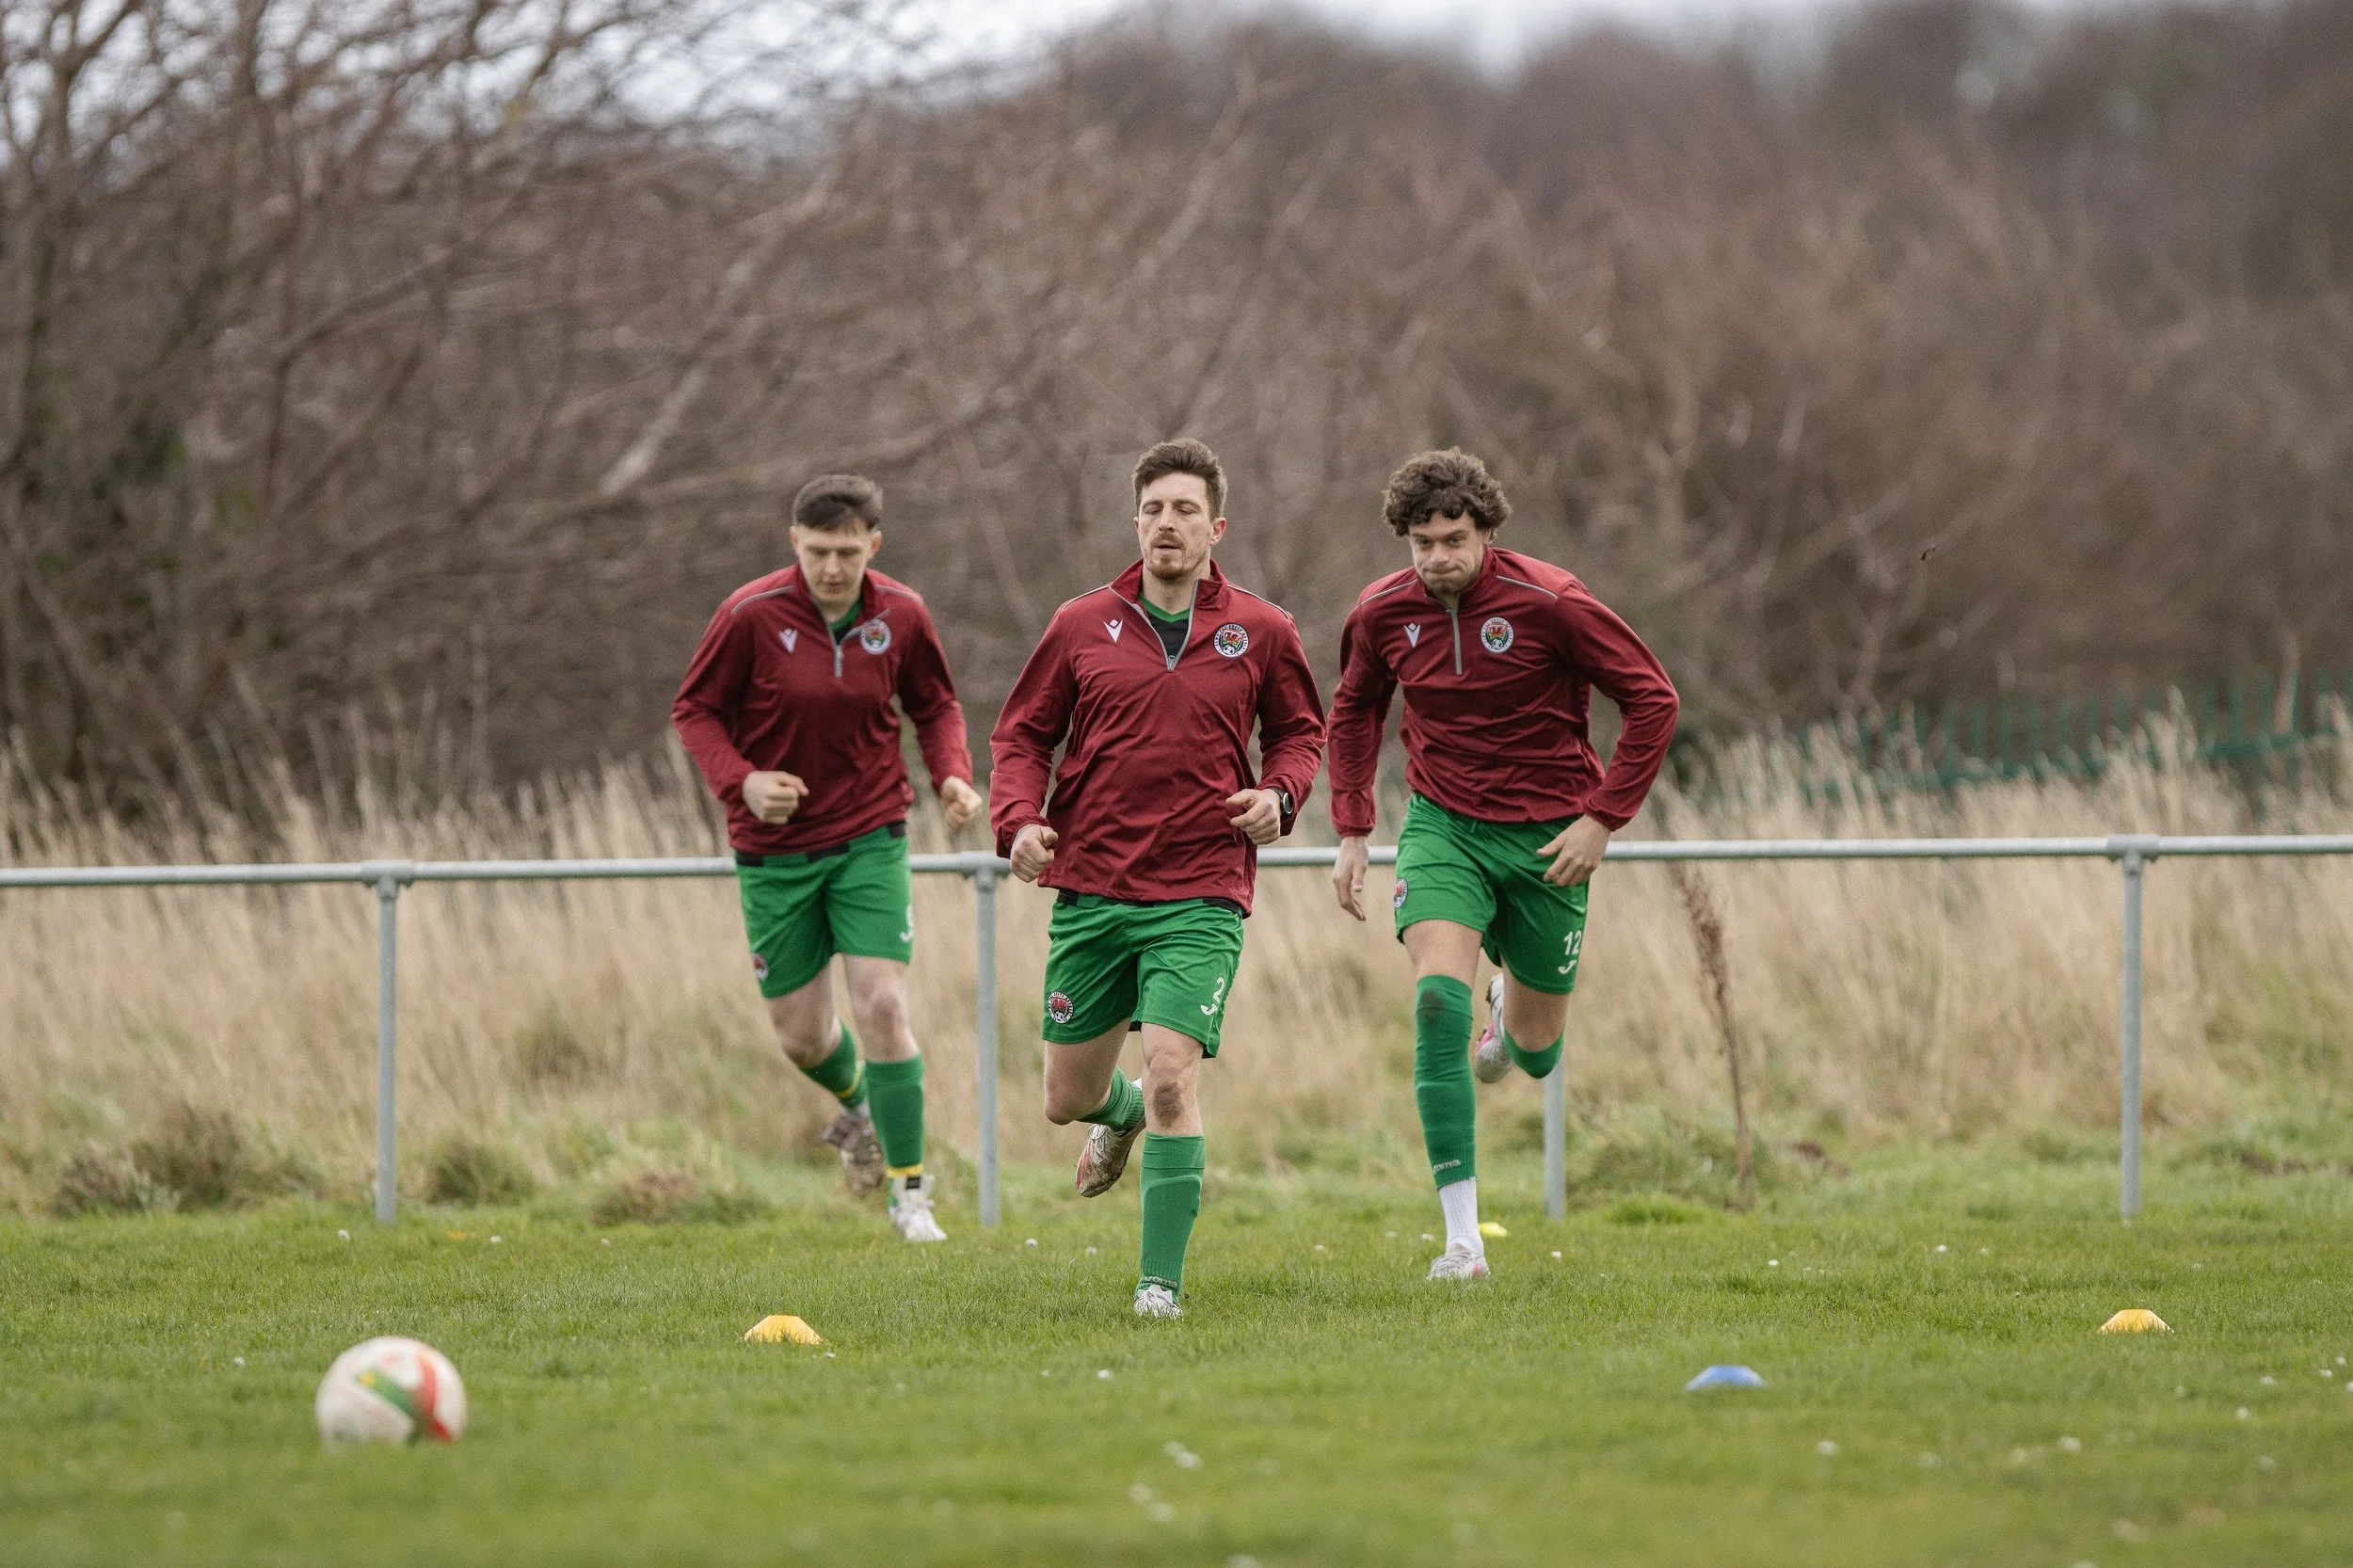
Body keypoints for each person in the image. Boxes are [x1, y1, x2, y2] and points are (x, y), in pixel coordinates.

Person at [991, 439, 1325, 1319]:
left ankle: (1158, 1288)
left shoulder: (1262, 630)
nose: (1166, 525)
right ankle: (1120, 1112)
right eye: (1151, 510)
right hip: (1094, 886)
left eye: (1183, 510)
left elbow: (1300, 736)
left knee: (1175, 1073)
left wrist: (1278, 796)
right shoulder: (1078, 624)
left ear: (1216, 527)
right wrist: (1019, 822)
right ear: (1134, 523)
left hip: (1203, 890)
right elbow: (1022, 738)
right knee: (1067, 1099)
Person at [1328, 448, 1678, 1280]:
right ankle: (1462, 1241)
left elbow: (1653, 699)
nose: (1438, 558)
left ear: (1487, 529)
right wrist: (1351, 829)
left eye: (1453, 539)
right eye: (1422, 543)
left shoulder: (1550, 600)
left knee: (1535, 1051)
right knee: (1435, 1009)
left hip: (1551, 839)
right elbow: (1353, 712)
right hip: (1443, 828)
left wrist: (1603, 819)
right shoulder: (1380, 612)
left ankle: (1508, 1004)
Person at [673, 473, 983, 1242]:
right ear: (794, 544)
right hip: (773, 851)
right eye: (817, 552)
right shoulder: (748, 616)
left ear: (873, 546)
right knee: (802, 1037)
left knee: (882, 1003)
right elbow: (695, 710)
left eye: (847, 552)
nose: (832, 567)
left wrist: (951, 775)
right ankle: (865, 1105)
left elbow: (935, 704)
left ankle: (911, 1196)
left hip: (870, 834)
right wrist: (742, 781)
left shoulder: (903, 615)